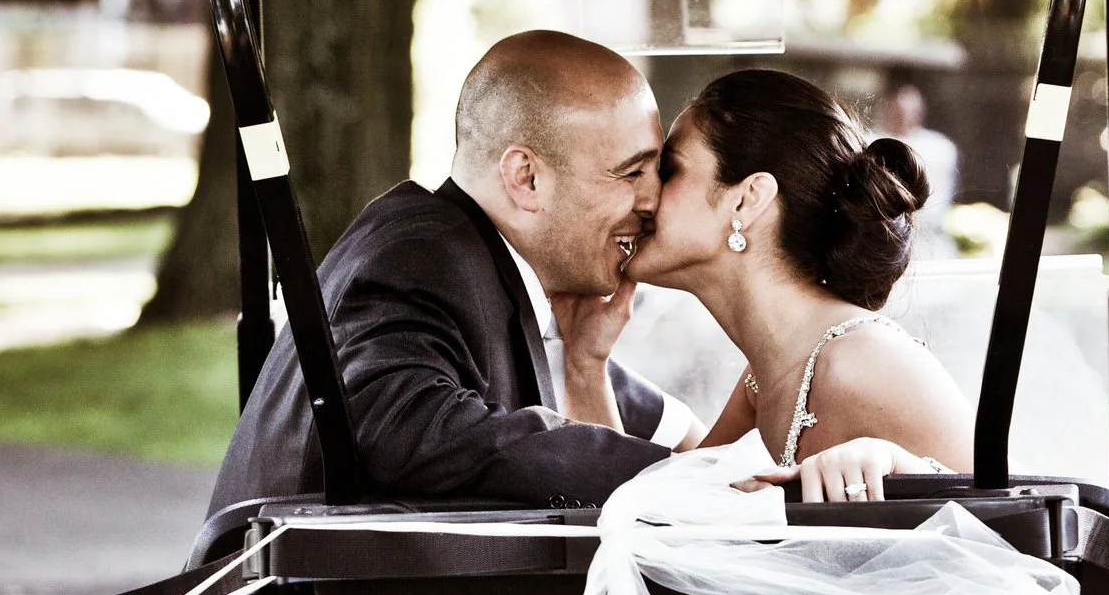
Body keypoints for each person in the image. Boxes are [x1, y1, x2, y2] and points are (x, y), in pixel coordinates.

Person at [190, 30, 697, 563]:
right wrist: (679, 485)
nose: (652, 200)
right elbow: (412, 430)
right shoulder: (416, 261)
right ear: (526, 178)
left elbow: (678, 436)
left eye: (657, 171)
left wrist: (595, 369)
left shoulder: (490, 269)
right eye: (631, 172)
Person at [624, 68, 969, 502]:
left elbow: (1025, 531)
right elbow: (656, 511)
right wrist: (586, 358)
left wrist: (900, 467)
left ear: (747, 200)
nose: (644, 193)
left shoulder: (864, 361)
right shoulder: (763, 381)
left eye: (668, 169)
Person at [874, 83, 958, 252]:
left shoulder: (939, 147)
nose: (904, 117)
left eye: (910, 112)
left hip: (927, 239)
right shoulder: (871, 140)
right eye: (899, 111)